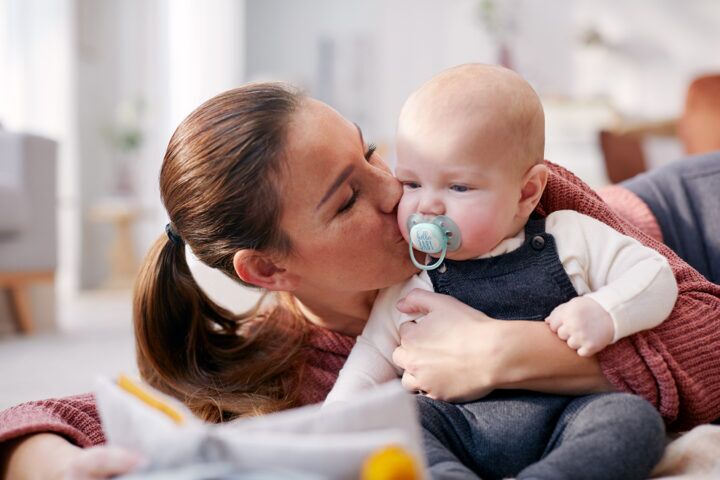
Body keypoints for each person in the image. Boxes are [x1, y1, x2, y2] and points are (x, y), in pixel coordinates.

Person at [1, 80, 720, 480]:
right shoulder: (280, 367)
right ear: (270, 269)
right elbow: (40, 422)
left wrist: (508, 353)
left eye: (372, 154)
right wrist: (48, 468)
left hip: (689, 218)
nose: (400, 196)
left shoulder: (496, 197)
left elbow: (709, 343)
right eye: (347, 198)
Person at [325, 64, 673, 479]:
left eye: (458, 187)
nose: (427, 207)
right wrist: (334, 422)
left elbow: (655, 275)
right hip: (456, 425)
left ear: (526, 193)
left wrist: (605, 310)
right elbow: (371, 357)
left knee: (632, 418)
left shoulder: (570, 237)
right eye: (412, 183)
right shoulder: (412, 280)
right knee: (397, 424)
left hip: (567, 417)